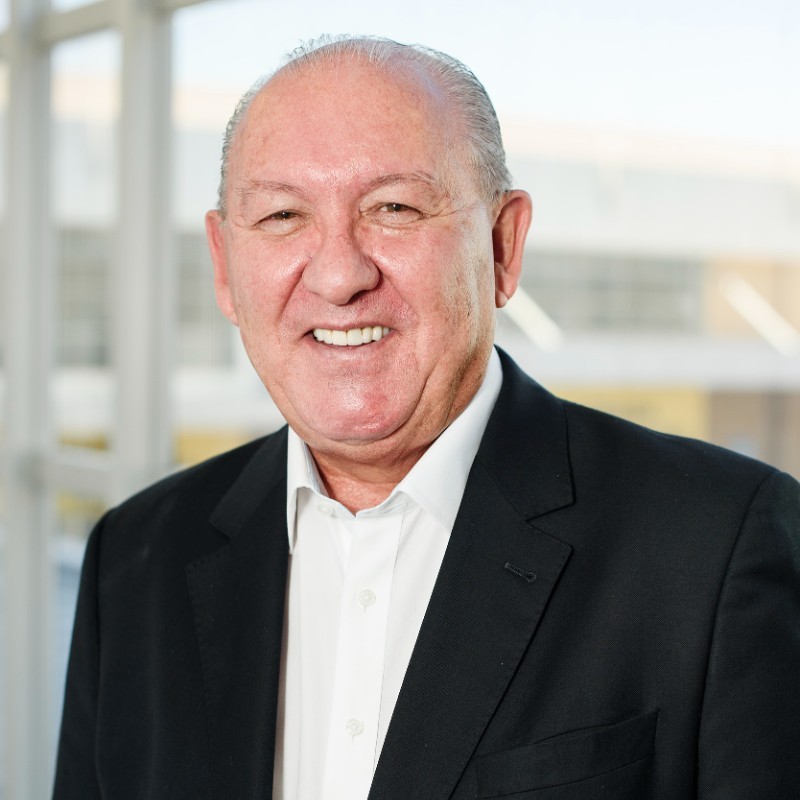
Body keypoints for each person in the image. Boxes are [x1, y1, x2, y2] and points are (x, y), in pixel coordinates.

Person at [53, 36, 800, 800]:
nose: (339, 275)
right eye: (282, 215)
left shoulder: (716, 548)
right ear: (223, 265)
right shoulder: (133, 561)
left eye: (394, 208)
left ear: (503, 246)